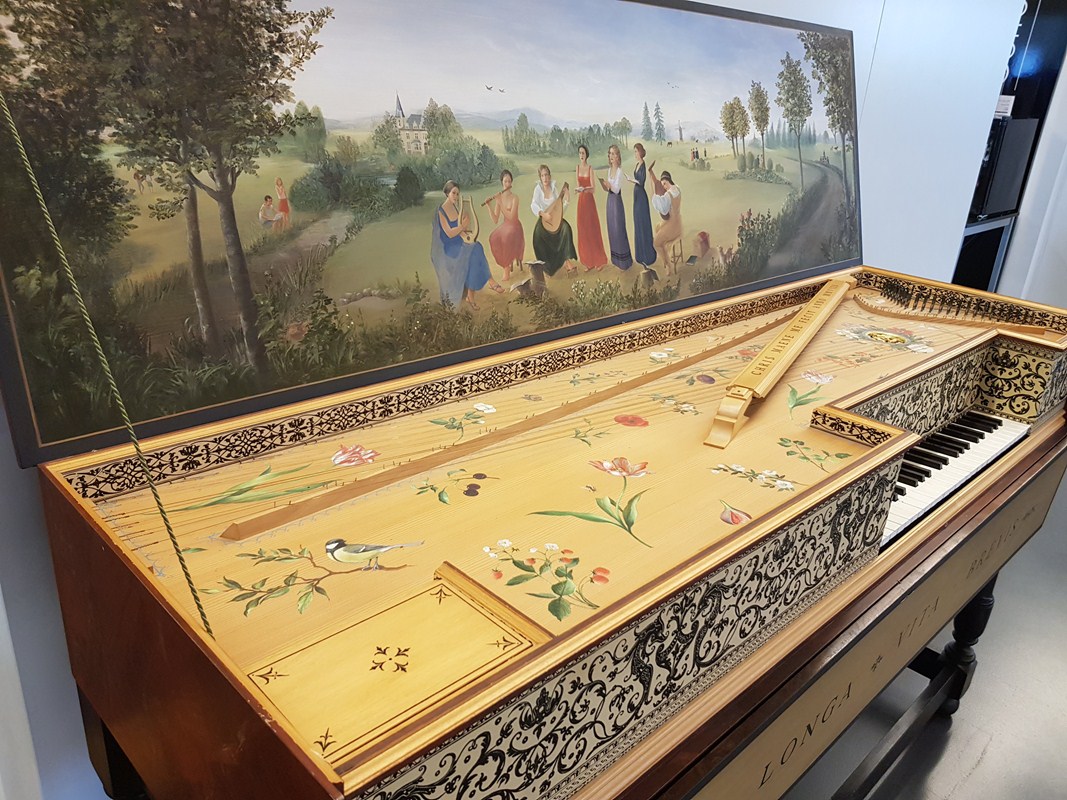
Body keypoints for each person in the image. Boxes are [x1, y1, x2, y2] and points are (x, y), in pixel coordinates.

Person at [431, 180, 504, 310]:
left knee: (477, 247)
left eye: (457, 194)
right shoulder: (441, 211)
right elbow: (449, 233)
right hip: (450, 248)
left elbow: (461, 231)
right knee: (473, 251)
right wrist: (462, 226)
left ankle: (476, 291)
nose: (456, 196)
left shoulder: (455, 207)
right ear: (447, 193)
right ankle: (487, 284)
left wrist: (465, 226)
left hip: (460, 242)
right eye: (453, 193)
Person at [530, 164, 578, 277]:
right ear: (540, 177)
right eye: (542, 175)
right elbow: (533, 205)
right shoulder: (538, 189)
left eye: (546, 175)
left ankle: (566, 261)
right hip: (543, 221)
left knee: (566, 228)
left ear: (550, 176)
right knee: (538, 234)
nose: (545, 178)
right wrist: (543, 214)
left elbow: (558, 210)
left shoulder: (554, 189)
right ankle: (547, 266)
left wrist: (567, 199)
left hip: (555, 221)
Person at [599, 144, 633, 270]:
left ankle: (624, 262)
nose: (611, 156)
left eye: (613, 153)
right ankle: (616, 260)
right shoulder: (609, 170)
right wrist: (605, 185)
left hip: (617, 202)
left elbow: (617, 189)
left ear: (618, 156)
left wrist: (609, 185)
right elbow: (609, 189)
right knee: (612, 229)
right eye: (610, 153)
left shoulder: (619, 171)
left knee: (619, 229)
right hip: (610, 200)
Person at [574, 144, 608, 271]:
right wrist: (578, 190)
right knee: (583, 231)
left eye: (583, 153)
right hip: (581, 202)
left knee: (592, 230)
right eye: (580, 153)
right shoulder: (577, 168)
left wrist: (585, 189)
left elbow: (593, 189)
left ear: (586, 155)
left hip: (589, 202)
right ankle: (588, 262)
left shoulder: (590, 168)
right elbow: (578, 185)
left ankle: (598, 261)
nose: (581, 155)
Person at [487, 169, 524, 282]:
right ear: (502, 183)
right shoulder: (500, 197)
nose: (507, 184)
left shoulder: (515, 198)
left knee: (506, 238)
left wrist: (499, 202)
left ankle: (506, 269)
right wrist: (489, 206)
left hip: (515, 226)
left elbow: (512, 217)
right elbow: (495, 219)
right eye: (505, 182)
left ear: (511, 182)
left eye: (509, 181)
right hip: (505, 225)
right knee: (493, 237)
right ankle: (504, 264)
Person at [650, 168, 683, 275]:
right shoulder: (677, 188)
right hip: (678, 222)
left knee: (656, 243)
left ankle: (668, 264)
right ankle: (666, 256)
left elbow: (663, 210)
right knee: (657, 227)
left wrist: (654, 195)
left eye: (665, 183)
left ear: (669, 181)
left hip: (673, 226)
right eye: (663, 184)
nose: (664, 186)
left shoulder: (668, 195)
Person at [631, 143, 656, 266]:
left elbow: (641, 182)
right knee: (637, 222)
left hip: (641, 196)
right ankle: (640, 255)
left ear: (641, 152)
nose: (635, 154)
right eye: (634, 152)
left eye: (636, 151)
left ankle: (647, 255)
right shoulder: (637, 165)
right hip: (636, 195)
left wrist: (632, 180)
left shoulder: (643, 164)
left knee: (643, 223)